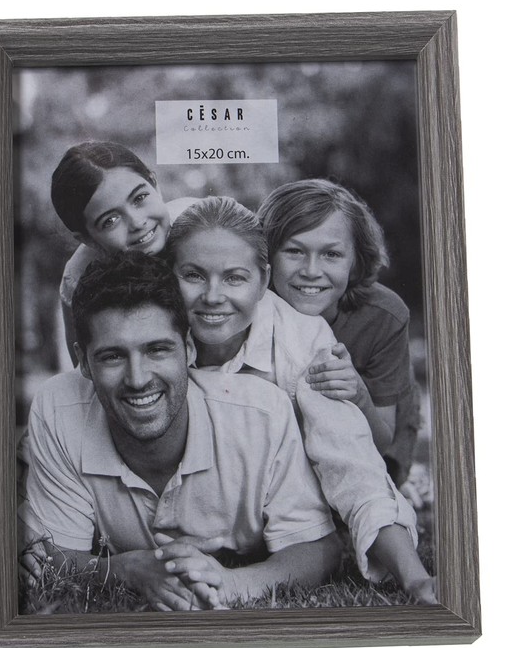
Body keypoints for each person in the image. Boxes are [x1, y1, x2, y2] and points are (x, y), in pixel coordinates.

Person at [19, 251, 340, 611]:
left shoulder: (262, 413)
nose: (138, 379)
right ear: (84, 362)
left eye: (157, 350)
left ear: (187, 349)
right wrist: (125, 569)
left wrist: (232, 583)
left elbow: (318, 548)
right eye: (113, 356)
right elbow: (55, 553)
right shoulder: (59, 407)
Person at [165, 196, 436, 603]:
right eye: (193, 276)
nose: (213, 296)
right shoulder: (153, 332)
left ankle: (407, 487)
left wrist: (414, 578)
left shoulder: (305, 341)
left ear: (263, 280)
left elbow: (353, 462)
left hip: (289, 519)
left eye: (235, 278)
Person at [257, 179, 421, 491]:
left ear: (355, 262)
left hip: (376, 438)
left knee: (378, 482)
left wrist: (359, 393)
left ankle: (406, 480)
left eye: (331, 254)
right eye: (294, 251)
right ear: (266, 255)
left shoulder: (383, 316)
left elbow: (382, 440)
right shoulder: (250, 308)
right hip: (285, 448)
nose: (311, 270)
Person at [50, 140, 198, 363]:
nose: (137, 222)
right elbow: (86, 369)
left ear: (155, 185)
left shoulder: (203, 226)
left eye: (139, 198)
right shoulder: (79, 278)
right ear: (88, 239)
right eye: (110, 221)